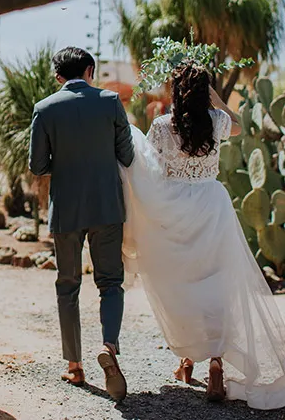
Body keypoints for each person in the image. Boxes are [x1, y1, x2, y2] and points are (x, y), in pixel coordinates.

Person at [122, 62, 285, 408]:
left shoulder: (162, 126)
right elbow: (239, 126)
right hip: (212, 205)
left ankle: (187, 360)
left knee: (185, 285)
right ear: (204, 92)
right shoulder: (217, 121)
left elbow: (150, 168)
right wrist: (218, 100)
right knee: (217, 284)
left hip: (176, 208)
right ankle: (215, 363)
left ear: (176, 93)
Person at [29, 47, 135, 402]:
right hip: (107, 206)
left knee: (67, 286)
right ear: (90, 69)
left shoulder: (44, 109)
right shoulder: (110, 101)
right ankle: (108, 346)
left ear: (58, 76)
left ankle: (74, 365)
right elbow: (127, 155)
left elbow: (38, 166)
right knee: (110, 283)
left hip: (66, 211)